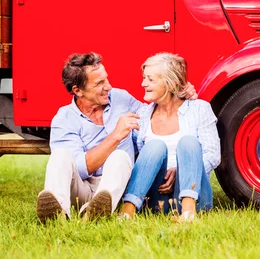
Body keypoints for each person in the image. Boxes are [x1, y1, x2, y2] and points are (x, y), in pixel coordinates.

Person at [36, 52, 196, 223]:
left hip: (116, 187)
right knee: (60, 156)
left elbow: (156, 114)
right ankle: (58, 213)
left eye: (106, 79)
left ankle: (96, 211)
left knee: (120, 156)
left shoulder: (121, 98)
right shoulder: (64, 119)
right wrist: (115, 136)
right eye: (99, 83)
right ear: (78, 90)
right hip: (80, 190)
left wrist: (179, 93)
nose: (109, 86)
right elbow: (80, 168)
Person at [120, 53, 220, 221]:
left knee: (188, 142)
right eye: (144, 78)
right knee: (155, 146)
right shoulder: (143, 114)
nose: (143, 84)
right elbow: (137, 158)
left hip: (196, 195)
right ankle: (126, 212)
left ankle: (188, 214)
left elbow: (213, 155)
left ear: (171, 83)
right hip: (156, 197)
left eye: (151, 80)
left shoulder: (199, 109)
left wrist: (181, 170)